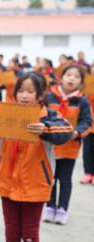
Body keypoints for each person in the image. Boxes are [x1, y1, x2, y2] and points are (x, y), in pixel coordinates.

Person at [0, 72, 73, 242]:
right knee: (11, 231)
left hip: (34, 184)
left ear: (40, 95)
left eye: (30, 91)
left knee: (29, 233)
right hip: (6, 181)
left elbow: (67, 130)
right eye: (21, 91)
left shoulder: (49, 116)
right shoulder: (7, 112)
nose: (24, 95)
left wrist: (45, 129)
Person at [44, 65, 93, 225]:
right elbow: (41, 115)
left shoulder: (82, 101)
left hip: (69, 147)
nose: (71, 78)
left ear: (81, 82)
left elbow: (86, 121)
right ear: (62, 77)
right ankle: (50, 206)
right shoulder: (49, 97)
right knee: (50, 177)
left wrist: (76, 133)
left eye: (76, 77)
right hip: (49, 146)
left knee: (65, 179)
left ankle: (63, 208)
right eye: (68, 75)